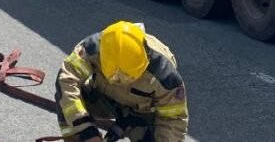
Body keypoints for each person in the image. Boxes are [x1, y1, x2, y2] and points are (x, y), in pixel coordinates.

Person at [55, 21, 189, 142]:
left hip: (142, 113)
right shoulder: (93, 48)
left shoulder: (165, 75)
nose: (121, 82)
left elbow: (174, 120)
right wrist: (85, 130)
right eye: (115, 77)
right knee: (66, 100)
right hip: (105, 99)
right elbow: (66, 80)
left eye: (128, 77)